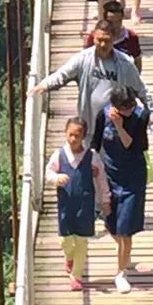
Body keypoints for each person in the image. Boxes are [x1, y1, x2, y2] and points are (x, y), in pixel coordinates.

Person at [32, 20, 153, 148]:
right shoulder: (83, 59)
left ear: (114, 39)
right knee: (90, 161)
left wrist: (152, 113)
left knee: (110, 162)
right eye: (99, 40)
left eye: (107, 40)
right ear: (93, 38)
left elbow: (141, 90)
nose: (103, 44)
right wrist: (44, 85)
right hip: (88, 126)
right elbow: (62, 74)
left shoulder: (125, 63)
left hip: (114, 127)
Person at [45, 116, 112, 291]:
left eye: (77, 135)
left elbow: (102, 179)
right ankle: (69, 256)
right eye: (70, 135)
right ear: (65, 134)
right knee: (65, 240)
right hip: (66, 205)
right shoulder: (59, 155)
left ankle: (76, 276)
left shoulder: (91, 157)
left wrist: (105, 200)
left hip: (85, 205)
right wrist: (56, 178)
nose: (73, 139)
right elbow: (48, 173)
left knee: (82, 241)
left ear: (84, 137)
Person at [100, 86, 150, 293]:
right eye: (124, 106)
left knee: (125, 229)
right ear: (114, 106)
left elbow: (133, 144)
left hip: (133, 178)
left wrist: (119, 126)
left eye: (131, 105)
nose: (129, 109)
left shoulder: (140, 116)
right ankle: (126, 256)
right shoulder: (103, 114)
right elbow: (95, 141)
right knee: (111, 224)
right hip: (110, 174)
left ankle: (121, 272)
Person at [86, 0, 142, 70]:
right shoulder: (95, 36)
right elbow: (87, 58)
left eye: (118, 21)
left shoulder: (131, 37)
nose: (115, 26)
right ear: (105, 19)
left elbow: (137, 60)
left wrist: (135, 78)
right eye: (111, 22)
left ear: (122, 18)